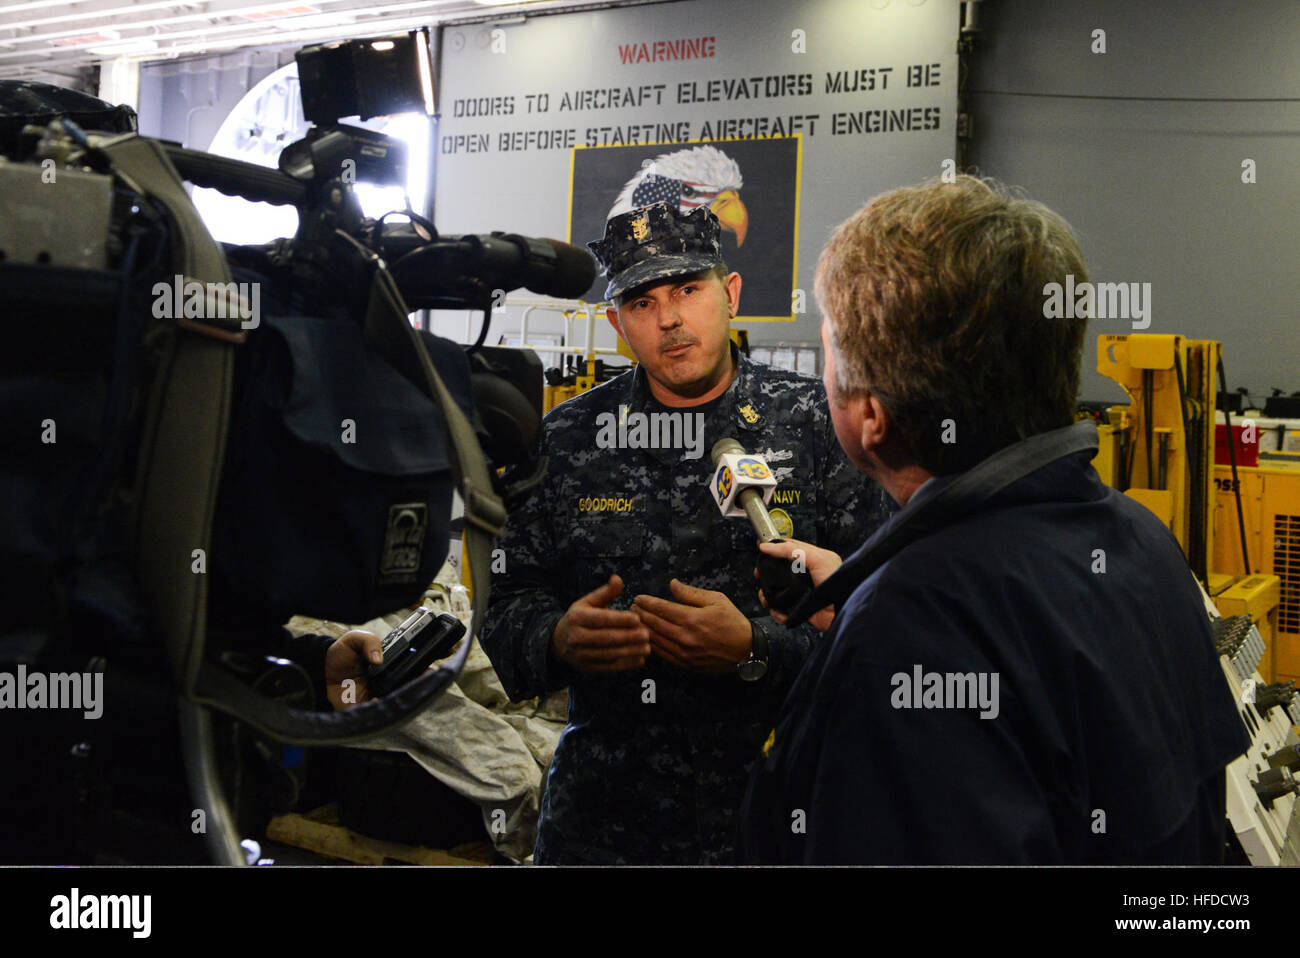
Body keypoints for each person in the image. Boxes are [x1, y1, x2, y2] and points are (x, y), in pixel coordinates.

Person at [737, 175, 1249, 864]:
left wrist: (888, 612)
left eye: (828, 347)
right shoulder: (1139, 538)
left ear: (871, 418)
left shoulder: (913, 633)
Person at [478, 202, 895, 864]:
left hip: (780, 815)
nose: (669, 318)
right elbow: (503, 609)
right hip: (605, 824)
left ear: (729, 294)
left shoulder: (819, 424)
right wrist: (557, 638)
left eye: (687, 290)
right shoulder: (561, 440)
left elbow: (881, 625)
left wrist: (752, 650)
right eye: (642, 303)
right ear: (617, 323)